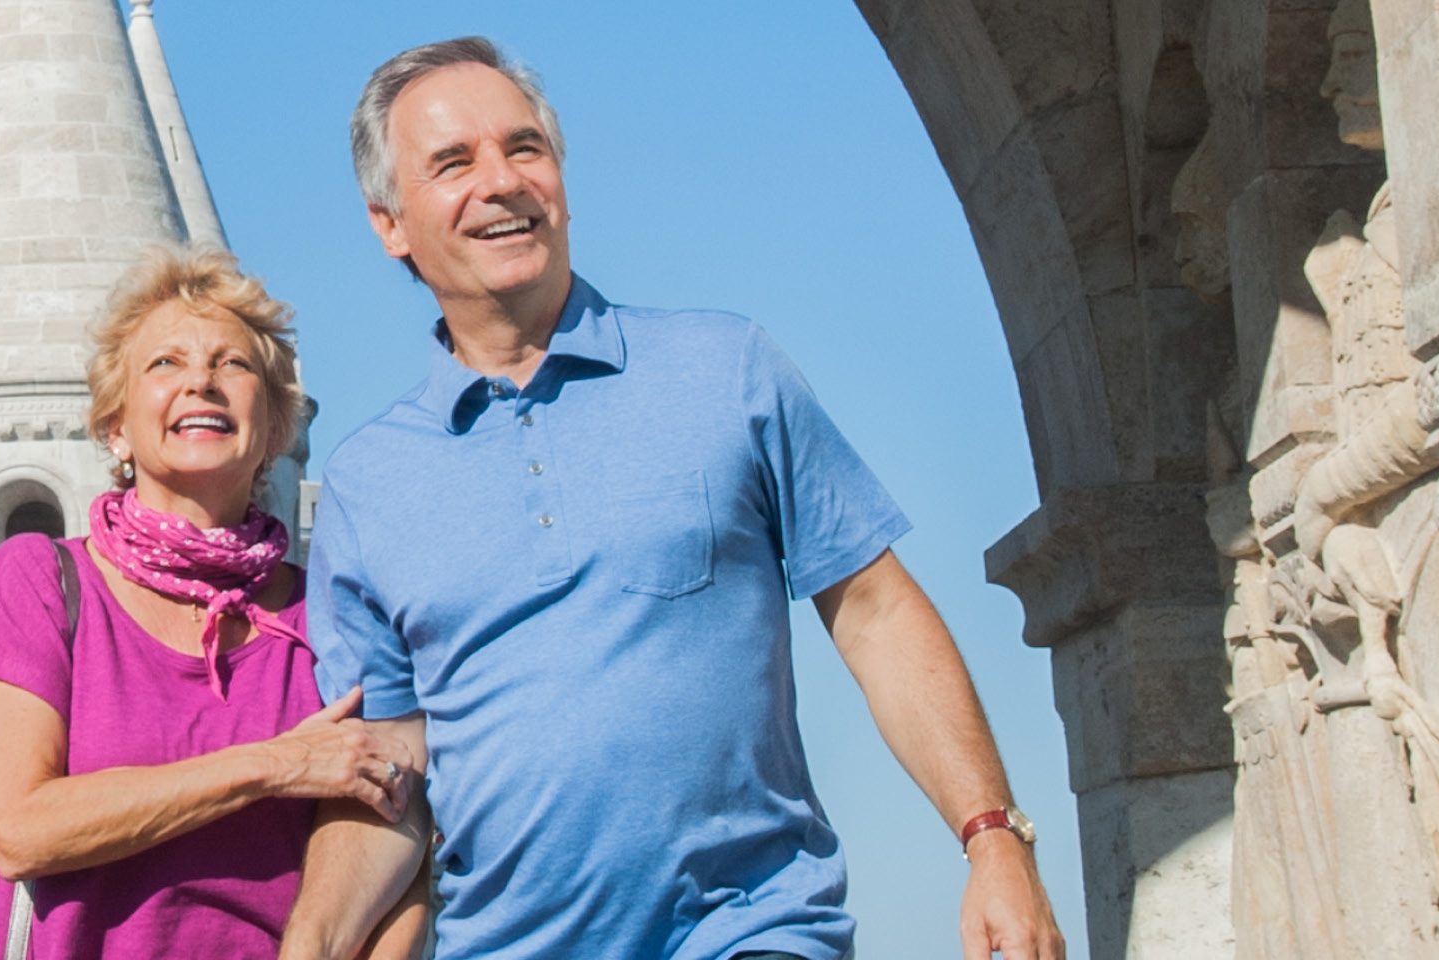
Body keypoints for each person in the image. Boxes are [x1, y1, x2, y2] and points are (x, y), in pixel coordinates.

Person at [278, 38, 1067, 960]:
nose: (502, 181)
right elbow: (389, 773)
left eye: (524, 148)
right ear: (390, 223)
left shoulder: (727, 370)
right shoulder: (368, 483)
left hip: (755, 930)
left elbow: (878, 616)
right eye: (453, 163)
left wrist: (994, 840)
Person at [0, 248, 423, 960]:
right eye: (165, 365)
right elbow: (22, 829)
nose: (201, 383)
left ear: (275, 429)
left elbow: (399, 845)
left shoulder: (331, 613)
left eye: (232, 364)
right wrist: (274, 765)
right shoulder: (40, 581)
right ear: (116, 427)